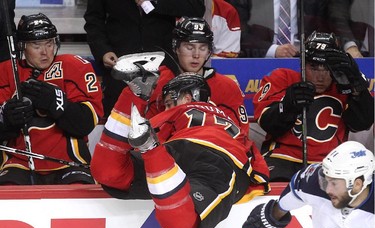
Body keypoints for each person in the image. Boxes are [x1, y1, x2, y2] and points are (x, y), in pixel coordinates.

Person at [91, 72, 268, 228]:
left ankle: (133, 95)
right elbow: (257, 164)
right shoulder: (229, 123)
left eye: (169, 103)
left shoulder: (183, 110)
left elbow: (140, 132)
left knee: (110, 172)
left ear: (187, 98)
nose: (167, 109)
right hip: (220, 160)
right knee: (181, 225)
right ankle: (152, 149)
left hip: (178, 150)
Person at [113, 16, 270, 191]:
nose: (196, 55)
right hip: (163, 159)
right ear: (176, 48)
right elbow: (139, 125)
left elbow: (239, 134)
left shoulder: (227, 87)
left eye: (202, 48)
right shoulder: (155, 80)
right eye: (189, 47)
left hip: (211, 163)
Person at [242, 141, 374, 228]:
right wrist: (273, 215)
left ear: (357, 185)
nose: (327, 189)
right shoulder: (314, 184)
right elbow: (295, 193)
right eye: (326, 181)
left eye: (334, 183)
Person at [253, 31, 374, 181]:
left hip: (331, 163)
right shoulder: (283, 78)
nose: (320, 76)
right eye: (314, 67)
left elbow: (363, 122)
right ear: (302, 63)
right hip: (283, 158)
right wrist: (288, 105)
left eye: (327, 68)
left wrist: (356, 85)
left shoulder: (345, 86)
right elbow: (267, 123)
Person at [0, 13, 103, 185]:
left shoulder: (74, 66)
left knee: (80, 194)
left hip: (70, 163)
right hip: (18, 163)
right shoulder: (6, 72)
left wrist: (57, 103)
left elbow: (86, 123)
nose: (45, 52)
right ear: (22, 46)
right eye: (36, 45)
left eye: (49, 43)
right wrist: (6, 119)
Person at [83, 0, 205, 118]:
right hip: (120, 65)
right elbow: (93, 20)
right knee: (119, 127)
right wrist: (103, 50)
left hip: (163, 64)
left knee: (165, 124)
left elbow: (196, 8)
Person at [228, 0, 331, 57]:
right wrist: (274, 50)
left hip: (303, 61)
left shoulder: (314, 3)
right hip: (260, 60)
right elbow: (239, 32)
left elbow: (323, 29)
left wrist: (306, 50)